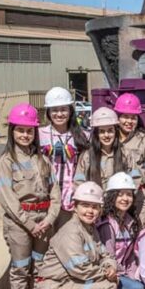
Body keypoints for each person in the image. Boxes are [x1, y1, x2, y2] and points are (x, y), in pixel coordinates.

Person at [0, 103, 61, 289]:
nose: (25, 135)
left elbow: (55, 193)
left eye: (29, 131)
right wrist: (31, 224)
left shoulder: (43, 160)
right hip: (20, 225)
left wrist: (49, 219)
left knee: (40, 267)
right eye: (20, 130)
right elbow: (8, 200)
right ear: (12, 131)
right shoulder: (5, 163)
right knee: (22, 269)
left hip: (43, 222)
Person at [37, 182, 117, 289]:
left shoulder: (91, 230)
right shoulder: (71, 231)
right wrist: (105, 275)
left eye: (95, 207)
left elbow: (105, 254)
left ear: (100, 209)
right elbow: (79, 268)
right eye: (85, 205)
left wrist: (110, 266)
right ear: (75, 207)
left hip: (73, 285)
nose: (90, 211)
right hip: (55, 288)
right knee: (109, 287)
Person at [97, 172, 144, 289]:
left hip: (122, 274)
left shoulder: (131, 222)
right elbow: (107, 257)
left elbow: (129, 257)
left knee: (140, 284)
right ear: (112, 196)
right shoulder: (107, 224)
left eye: (129, 195)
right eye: (120, 194)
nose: (125, 199)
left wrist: (134, 276)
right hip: (108, 275)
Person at [39, 87, 89, 227]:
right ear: (48, 112)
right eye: (54, 110)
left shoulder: (83, 136)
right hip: (46, 199)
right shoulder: (39, 135)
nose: (59, 114)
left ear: (70, 111)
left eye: (63, 109)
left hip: (73, 200)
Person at [113, 93, 145, 219]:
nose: (129, 121)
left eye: (133, 117)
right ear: (118, 117)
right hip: (113, 198)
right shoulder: (109, 139)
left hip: (139, 198)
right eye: (125, 117)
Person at [74, 107, 130, 189]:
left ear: (116, 132)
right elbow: (79, 183)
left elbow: (134, 181)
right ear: (96, 134)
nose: (106, 135)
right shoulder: (87, 156)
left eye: (110, 130)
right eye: (102, 131)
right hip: (93, 200)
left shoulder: (126, 153)